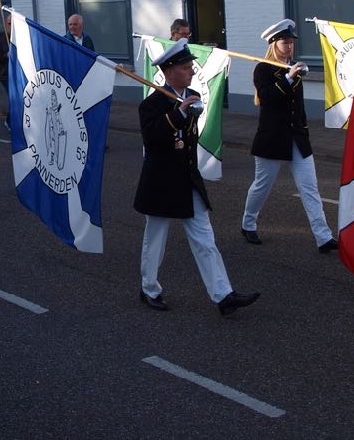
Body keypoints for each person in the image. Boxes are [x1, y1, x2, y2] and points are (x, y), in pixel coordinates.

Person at [136, 39, 260, 316]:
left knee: (205, 240)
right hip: (161, 184)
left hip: (187, 180)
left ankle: (223, 295)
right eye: (186, 67)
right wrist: (177, 115)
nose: (192, 70)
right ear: (169, 73)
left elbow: (188, 142)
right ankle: (149, 289)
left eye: (191, 66)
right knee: (155, 240)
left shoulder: (191, 95)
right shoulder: (152, 103)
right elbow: (153, 140)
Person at [241, 19, 338, 252]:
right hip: (272, 138)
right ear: (274, 44)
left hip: (297, 138)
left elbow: (298, 106)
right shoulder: (263, 68)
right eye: (285, 43)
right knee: (262, 186)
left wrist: (304, 129)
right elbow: (266, 98)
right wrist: (288, 78)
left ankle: (323, 236)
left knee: (310, 187)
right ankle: (248, 223)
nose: (290, 47)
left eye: (292, 43)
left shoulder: (295, 67)